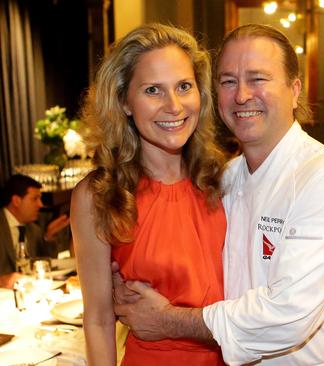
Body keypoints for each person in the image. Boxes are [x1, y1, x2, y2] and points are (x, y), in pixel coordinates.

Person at [112, 24, 324, 365]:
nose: (242, 95)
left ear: (295, 90)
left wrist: (165, 320)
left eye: (258, 79)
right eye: (228, 81)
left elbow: (288, 316)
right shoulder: (223, 179)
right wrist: (125, 287)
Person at [71, 23, 227, 365]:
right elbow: (97, 319)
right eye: (153, 90)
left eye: (184, 86)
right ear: (124, 101)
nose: (174, 106)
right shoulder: (99, 194)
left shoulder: (225, 180)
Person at [0, 174, 70, 288]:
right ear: (16, 201)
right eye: (35, 199)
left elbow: (46, 264)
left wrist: (49, 236)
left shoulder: (33, 229)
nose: (40, 204)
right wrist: (2, 281)